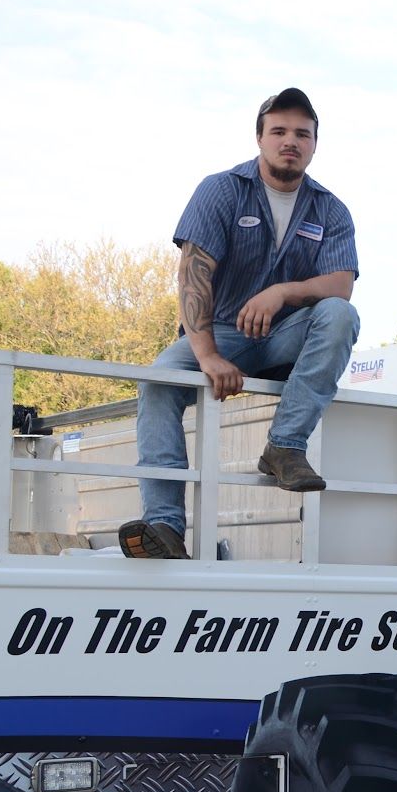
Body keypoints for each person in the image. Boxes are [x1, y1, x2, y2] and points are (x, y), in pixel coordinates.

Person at [119, 87, 360, 559]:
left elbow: (342, 285)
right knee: (158, 382)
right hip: (221, 330)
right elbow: (193, 274)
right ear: (259, 138)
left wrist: (283, 292)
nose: (290, 141)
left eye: (302, 134)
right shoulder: (222, 189)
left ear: (314, 144)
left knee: (340, 315)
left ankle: (284, 447)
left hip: (289, 338)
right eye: (279, 131)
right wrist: (207, 355)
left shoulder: (330, 209)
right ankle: (164, 527)